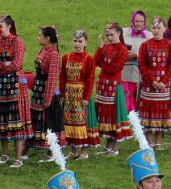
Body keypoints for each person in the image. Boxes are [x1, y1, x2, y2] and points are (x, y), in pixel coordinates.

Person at [0, 15, 29, 167]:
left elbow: (17, 64)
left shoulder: (17, 41)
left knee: (16, 122)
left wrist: (0, 65)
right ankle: (4, 153)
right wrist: (4, 64)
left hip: (14, 85)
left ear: (9, 26)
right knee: (1, 121)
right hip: (0, 86)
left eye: (1, 25)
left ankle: (18, 157)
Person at [138, 16, 171, 145]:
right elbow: (142, 65)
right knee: (148, 114)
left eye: (158, 27)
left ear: (165, 29)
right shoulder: (145, 45)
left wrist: (164, 81)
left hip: (163, 85)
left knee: (161, 113)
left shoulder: (170, 45)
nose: (156, 30)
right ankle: (149, 142)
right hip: (148, 86)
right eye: (154, 28)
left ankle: (158, 142)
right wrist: (152, 81)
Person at [59, 29, 97, 159]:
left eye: (80, 41)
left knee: (82, 122)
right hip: (69, 94)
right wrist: (62, 94)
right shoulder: (66, 57)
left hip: (81, 94)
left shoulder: (89, 59)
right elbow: (62, 77)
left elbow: (90, 79)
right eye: (75, 41)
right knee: (69, 121)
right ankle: (73, 149)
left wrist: (86, 97)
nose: (77, 44)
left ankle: (84, 151)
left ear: (85, 42)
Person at [92, 23, 129, 154]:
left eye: (112, 34)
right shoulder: (106, 47)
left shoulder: (122, 49)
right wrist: (100, 47)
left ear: (119, 33)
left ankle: (114, 147)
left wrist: (102, 66)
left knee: (113, 116)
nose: (109, 37)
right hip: (103, 86)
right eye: (107, 35)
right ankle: (107, 146)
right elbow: (94, 62)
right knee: (105, 116)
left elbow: (114, 68)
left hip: (113, 86)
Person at [28, 26, 62, 157]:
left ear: (47, 38)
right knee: (36, 119)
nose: (38, 37)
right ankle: (32, 144)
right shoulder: (43, 50)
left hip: (46, 91)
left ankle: (51, 151)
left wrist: (47, 99)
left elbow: (52, 77)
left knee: (49, 121)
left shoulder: (53, 54)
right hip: (38, 88)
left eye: (40, 35)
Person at [120, 9, 148, 118]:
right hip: (125, 72)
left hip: (140, 74)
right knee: (125, 99)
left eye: (141, 21)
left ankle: (137, 124)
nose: (139, 24)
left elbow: (149, 54)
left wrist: (136, 55)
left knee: (138, 99)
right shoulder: (122, 32)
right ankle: (125, 122)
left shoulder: (149, 35)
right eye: (137, 21)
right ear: (132, 21)